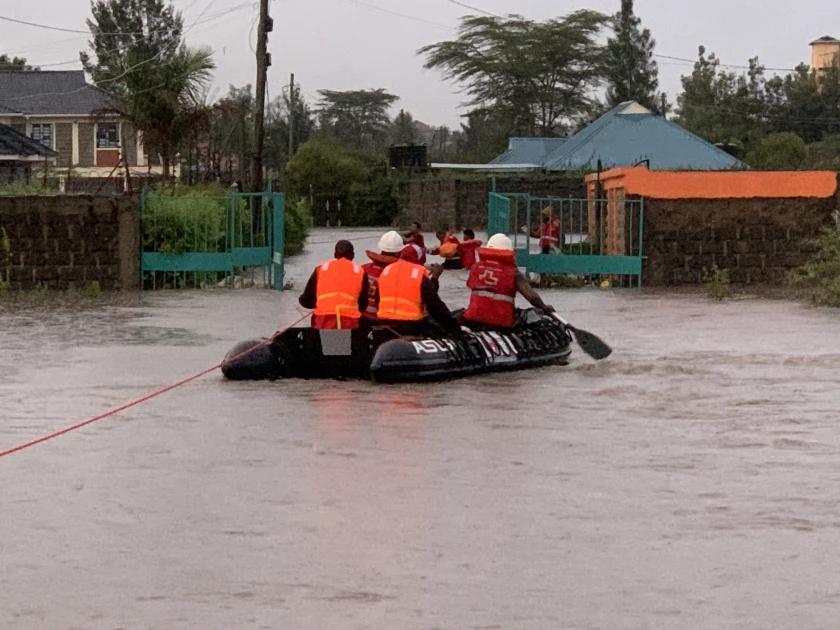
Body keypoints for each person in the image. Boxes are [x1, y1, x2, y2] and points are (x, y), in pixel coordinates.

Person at [463, 233, 556, 329]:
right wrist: (544, 308)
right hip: (501, 322)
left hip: (473, 318)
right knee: (534, 314)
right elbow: (532, 297)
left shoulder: (475, 268)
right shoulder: (514, 273)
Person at [375, 247, 461, 336]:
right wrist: (454, 327)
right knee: (440, 331)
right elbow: (435, 306)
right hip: (411, 325)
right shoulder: (419, 274)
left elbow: (377, 300)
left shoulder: (386, 270)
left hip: (384, 322)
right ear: (420, 258)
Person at [299, 240, 369, 330]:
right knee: (344, 342)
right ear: (353, 255)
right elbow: (363, 305)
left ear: (335, 254)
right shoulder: (360, 271)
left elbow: (306, 301)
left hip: (323, 321)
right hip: (350, 322)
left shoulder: (321, 269)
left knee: (326, 342)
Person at [361, 230, 403, 321]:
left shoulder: (363, 269)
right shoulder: (401, 273)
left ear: (381, 248)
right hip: (386, 321)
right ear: (399, 252)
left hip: (363, 319)